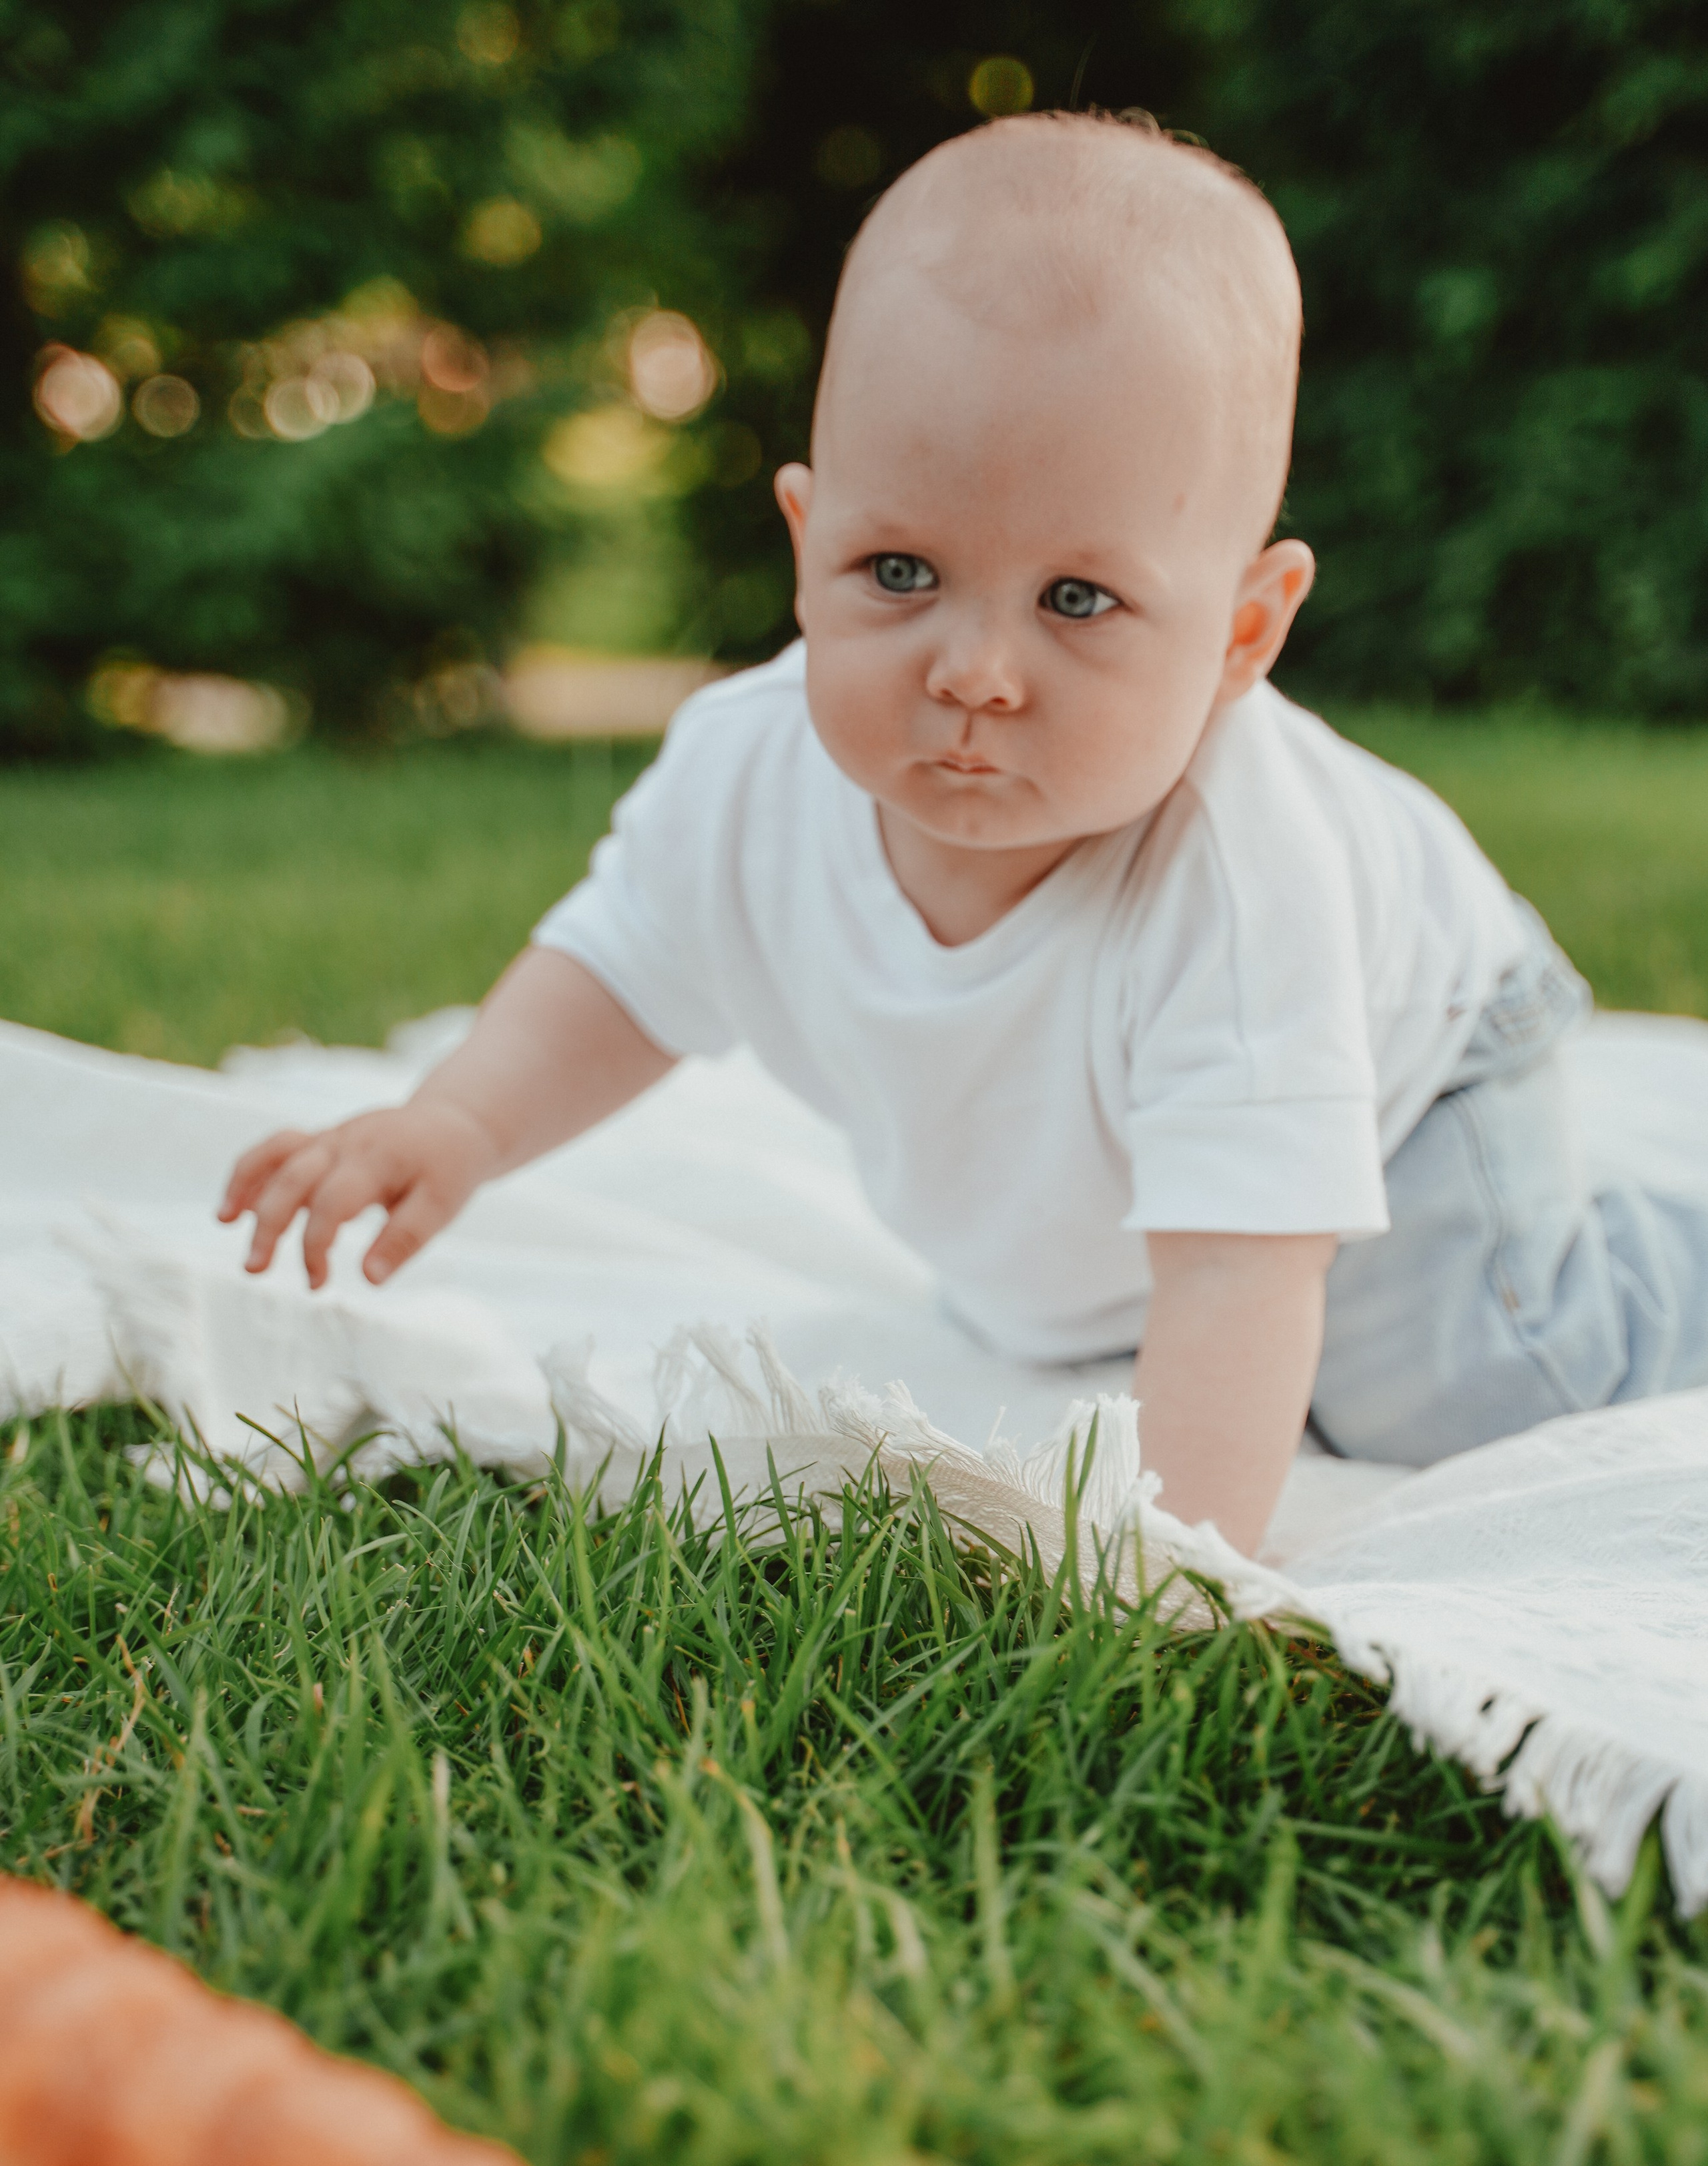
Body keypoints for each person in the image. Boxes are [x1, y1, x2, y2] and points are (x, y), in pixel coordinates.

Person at [220, 111, 1708, 1556]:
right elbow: (623, 965)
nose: (973, 671)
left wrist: (1165, 1567)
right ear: (805, 548)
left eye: (1077, 600)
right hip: (1173, 1141)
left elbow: (1236, 1272)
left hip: (1423, 1057)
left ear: (1243, 631)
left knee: (1438, 1382)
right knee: (1071, 1306)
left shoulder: (1238, 883)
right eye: (900, 568)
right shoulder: (745, 772)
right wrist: (463, 1120)